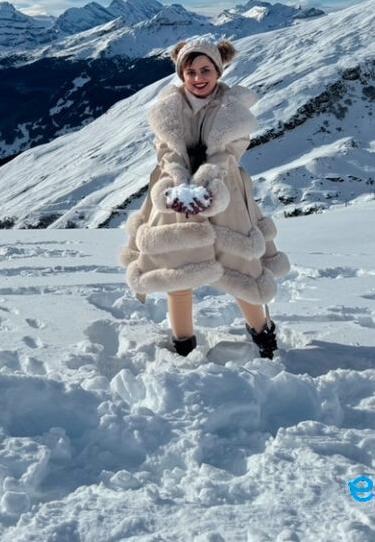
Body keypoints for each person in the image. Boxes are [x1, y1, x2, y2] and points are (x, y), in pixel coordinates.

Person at [119, 38, 289, 358]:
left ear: (219, 71)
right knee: (179, 264)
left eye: (205, 70)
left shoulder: (233, 110)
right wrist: (181, 183)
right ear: (182, 74)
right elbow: (167, 151)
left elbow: (228, 153)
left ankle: (262, 331)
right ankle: (184, 342)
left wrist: (204, 182)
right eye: (191, 71)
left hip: (226, 191)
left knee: (241, 266)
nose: (198, 78)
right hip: (175, 191)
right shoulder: (169, 108)